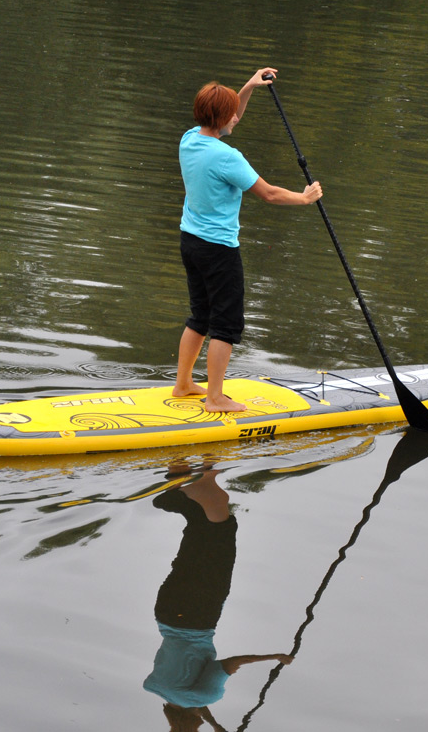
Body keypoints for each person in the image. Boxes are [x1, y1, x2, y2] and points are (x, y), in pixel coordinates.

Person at [172, 67, 323, 413]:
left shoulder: (189, 139)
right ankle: (214, 397)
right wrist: (304, 198)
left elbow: (227, 116)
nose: (237, 119)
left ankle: (183, 384)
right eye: (232, 116)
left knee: (200, 314)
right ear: (222, 118)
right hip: (219, 250)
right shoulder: (228, 158)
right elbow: (268, 194)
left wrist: (250, 86)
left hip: (190, 242)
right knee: (225, 324)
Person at [144, 466, 293, 731]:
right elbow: (193, 699)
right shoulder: (157, 688)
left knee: (221, 542)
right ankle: (178, 485)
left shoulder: (201, 696)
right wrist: (215, 724)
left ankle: (207, 489)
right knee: (196, 548)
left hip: (198, 616)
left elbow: (228, 665)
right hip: (166, 613)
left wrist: (275, 656)